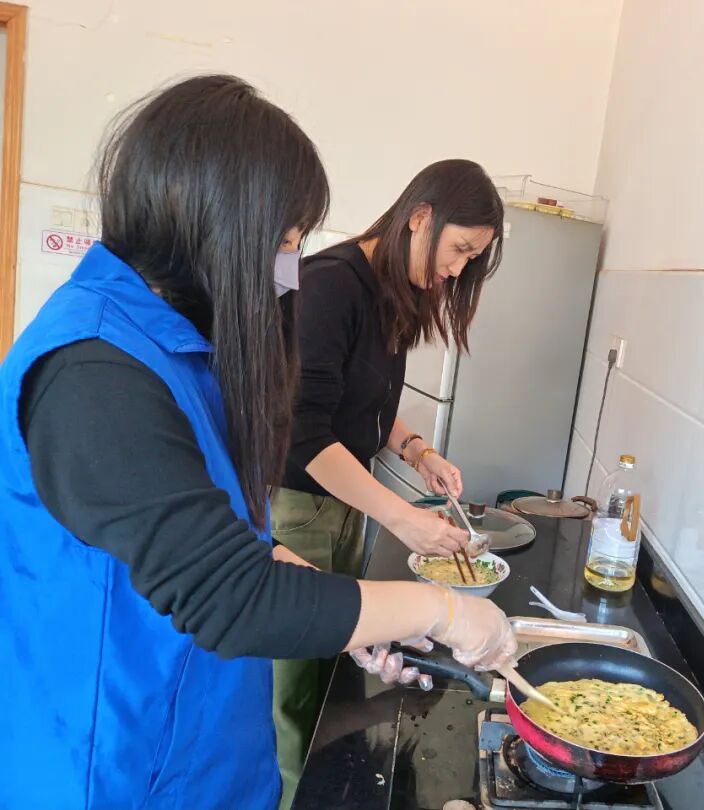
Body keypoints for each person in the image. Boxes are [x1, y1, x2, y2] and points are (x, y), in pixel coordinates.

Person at [0, 75, 516, 809]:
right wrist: (443, 610)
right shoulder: (94, 369)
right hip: (115, 766)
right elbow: (230, 596)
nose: (287, 270)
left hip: (203, 748)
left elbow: (213, 537)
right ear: (203, 215)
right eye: (283, 240)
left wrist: (347, 615)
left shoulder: (177, 348)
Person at [271, 158, 505, 804]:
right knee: (289, 690)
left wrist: (415, 449)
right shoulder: (330, 285)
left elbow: (364, 401)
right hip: (296, 510)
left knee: (327, 673)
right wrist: (401, 517)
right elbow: (304, 431)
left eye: (471, 259)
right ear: (421, 217)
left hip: (341, 508)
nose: (456, 269)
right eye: (460, 249)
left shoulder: (389, 290)